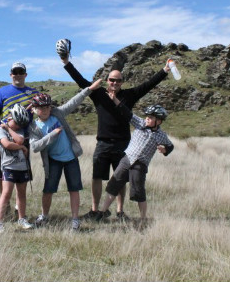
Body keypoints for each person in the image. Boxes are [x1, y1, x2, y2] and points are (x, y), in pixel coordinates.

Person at [56, 39, 173, 220]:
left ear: (121, 82)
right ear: (107, 81)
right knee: (97, 177)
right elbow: (79, 80)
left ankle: (119, 211)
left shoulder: (129, 95)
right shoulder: (99, 94)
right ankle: (96, 210)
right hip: (103, 143)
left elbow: (149, 85)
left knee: (121, 179)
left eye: (118, 81)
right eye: (111, 80)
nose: (114, 83)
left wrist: (165, 70)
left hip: (123, 144)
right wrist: (65, 62)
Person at [28, 79, 103, 231]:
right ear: (34, 109)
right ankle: (44, 216)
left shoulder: (58, 114)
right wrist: (52, 135)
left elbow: (74, 102)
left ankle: (75, 219)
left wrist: (89, 89)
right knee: (48, 190)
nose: (46, 110)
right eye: (41, 107)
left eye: (48, 106)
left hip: (71, 159)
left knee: (74, 189)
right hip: (53, 161)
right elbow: (35, 147)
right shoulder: (34, 127)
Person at [94, 102, 173, 222]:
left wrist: (165, 149)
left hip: (140, 165)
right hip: (126, 159)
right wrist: (115, 99)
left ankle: (143, 218)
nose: (147, 118)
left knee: (139, 191)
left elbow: (170, 146)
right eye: (147, 116)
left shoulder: (161, 135)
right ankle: (102, 212)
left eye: (151, 117)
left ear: (159, 121)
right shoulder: (140, 123)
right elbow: (127, 113)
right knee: (113, 185)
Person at [0, 62, 39, 217]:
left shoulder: (33, 92)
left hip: (24, 137)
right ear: (10, 74)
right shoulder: (3, 91)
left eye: (21, 71)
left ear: (25, 74)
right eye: (14, 72)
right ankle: (6, 203)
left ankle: (18, 208)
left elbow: (43, 108)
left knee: (22, 173)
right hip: (5, 136)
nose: (17, 74)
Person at [0, 104, 35, 232]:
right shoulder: (0, 130)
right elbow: (6, 144)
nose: (18, 127)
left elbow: (19, 140)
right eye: (16, 123)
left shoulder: (18, 129)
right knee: (6, 193)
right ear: (10, 117)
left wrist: (10, 128)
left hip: (22, 167)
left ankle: (22, 218)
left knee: (22, 193)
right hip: (8, 167)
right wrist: (21, 148)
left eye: (20, 125)